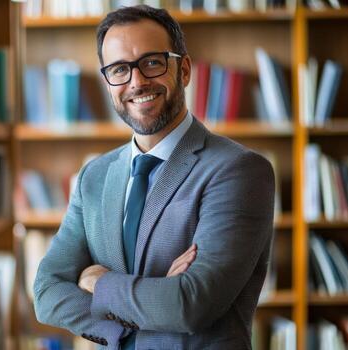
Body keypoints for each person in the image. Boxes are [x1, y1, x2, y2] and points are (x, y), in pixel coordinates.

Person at [32, 5, 275, 349]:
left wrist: (97, 281)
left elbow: (189, 304)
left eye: (152, 62)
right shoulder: (94, 177)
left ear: (184, 70)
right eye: (120, 69)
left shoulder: (239, 170)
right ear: (108, 82)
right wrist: (136, 317)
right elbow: (46, 292)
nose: (137, 81)